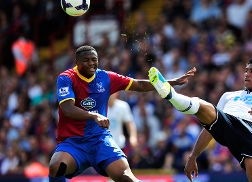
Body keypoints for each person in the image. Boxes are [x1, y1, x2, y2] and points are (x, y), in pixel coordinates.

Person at [48, 45, 195, 182]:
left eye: (94, 60)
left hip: (100, 140)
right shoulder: (66, 78)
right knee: (56, 167)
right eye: (86, 60)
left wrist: (172, 82)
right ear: (76, 62)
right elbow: (67, 109)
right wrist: (93, 115)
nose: (91, 63)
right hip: (73, 142)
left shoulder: (106, 77)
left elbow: (140, 84)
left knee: (125, 176)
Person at [148, 57, 252, 182]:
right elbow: (210, 127)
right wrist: (193, 156)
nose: (246, 74)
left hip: (250, 130)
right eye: (246, 71)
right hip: (227, 123)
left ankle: (172, 95)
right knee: (202, 106)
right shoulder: (228, 95)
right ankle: (171, 95)